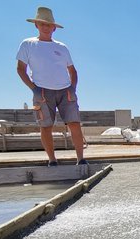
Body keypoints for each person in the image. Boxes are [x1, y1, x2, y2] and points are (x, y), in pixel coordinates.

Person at [16, 6, 87, 166]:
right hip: (42, 91)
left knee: (74, 123)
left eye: (48, 24)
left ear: (54, 27)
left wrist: (72, 88)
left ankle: (81, 159)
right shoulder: (28, 44)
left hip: (65, 91)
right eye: (42, 24)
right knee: (46, 126)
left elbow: (73, 71)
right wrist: (34, 88)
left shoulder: (62, 47)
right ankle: (52, 160)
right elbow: (21, 69)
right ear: (36, 25)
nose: (45, 27)